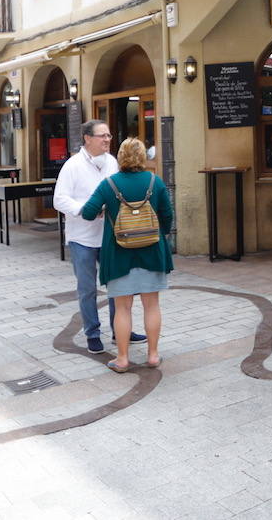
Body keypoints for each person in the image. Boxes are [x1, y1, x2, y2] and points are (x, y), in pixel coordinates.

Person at [80, 138, 174, 371]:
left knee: (122, 308)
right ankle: (153, 355)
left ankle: (122, 359)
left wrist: (106, 210)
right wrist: (160, 233)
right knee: (151, 305)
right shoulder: (155, 181)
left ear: (120, 157)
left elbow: (88, 213)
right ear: (143, 157)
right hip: (152, 252)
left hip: (119, 255)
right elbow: (168, 215)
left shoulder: (108, 184)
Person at [54, 121, 144, 352]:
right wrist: (88, 209)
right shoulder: (72, 166)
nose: (107, 140)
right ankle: (92, 333)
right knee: (87, 289)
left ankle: (120, 330)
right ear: (87, 138)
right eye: (102, 136)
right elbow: (59, 200)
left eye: (109, 135)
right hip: (81, 237)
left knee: (118, 284)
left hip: (110, 235)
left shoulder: (113, 162)